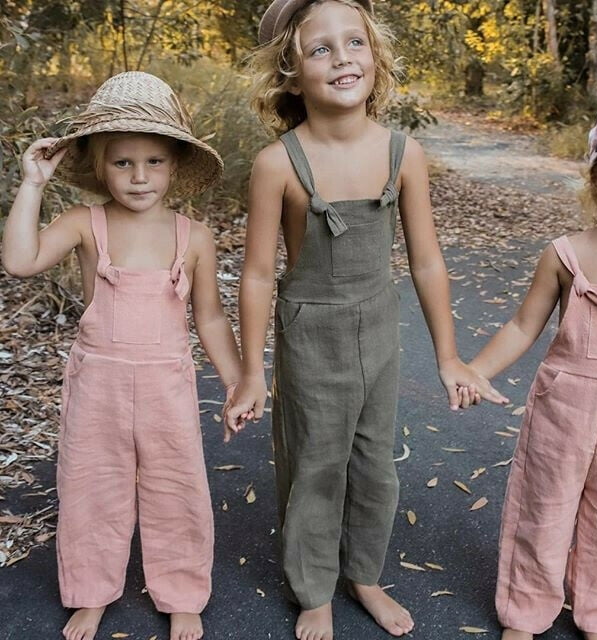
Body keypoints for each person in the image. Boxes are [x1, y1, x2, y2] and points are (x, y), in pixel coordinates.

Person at [225, 2, 507, 638]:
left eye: (354, 42)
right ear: (291, 72)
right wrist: (251, 373)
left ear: (375, 57)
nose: (342, 58)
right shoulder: (278, 164)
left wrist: (449, 356)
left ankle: (364, 574)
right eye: (320, 49)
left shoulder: (404, 153)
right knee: (315, 461)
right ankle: (313, 587)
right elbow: (259, 275)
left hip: (378, 327)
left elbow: (427, 262)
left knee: (375, 462)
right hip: (310, 331)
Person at [2, 71, 242, 640]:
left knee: (177, 486)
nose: (139, 176)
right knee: (92, 484)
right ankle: (91, 592)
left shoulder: (194, 236)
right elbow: (19, 261)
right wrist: (32, 184)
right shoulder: (84, 224)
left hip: (166, 386)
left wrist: (237, 382)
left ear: (175, 165)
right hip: (98, 385)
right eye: (123, 162)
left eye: (154, 161)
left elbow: (209, 317)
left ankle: (181, 592)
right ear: (99, 165)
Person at [467, 97, 597, 640]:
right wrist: (477, 370)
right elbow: (523, 326)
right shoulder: (564, 254)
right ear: (595, 181)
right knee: (542, 508)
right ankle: (525, 610)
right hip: (565, 408)